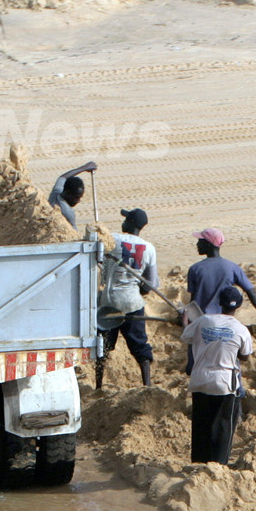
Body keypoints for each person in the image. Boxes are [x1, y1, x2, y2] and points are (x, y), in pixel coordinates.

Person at [180, 285, 253, 464]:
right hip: (223, 383)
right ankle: (219, 465)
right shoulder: (241, 329)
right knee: (222, 428)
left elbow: (186, 336)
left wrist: (184, 321)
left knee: (200, 425)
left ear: (219, 302)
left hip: (200, 379)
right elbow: (244, 355)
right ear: (238, 306)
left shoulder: (204, 320)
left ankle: (198, 464)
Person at [185, 228, 256, 372]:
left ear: (209, 245)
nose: (197, 245)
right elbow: (251, 291)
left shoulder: (195, 269)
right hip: (225, 324)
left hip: (202, 322)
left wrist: (185, 319)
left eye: (200, 242)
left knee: (193, 365)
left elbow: (193, 303)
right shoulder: (232, 267)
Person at [96, 208, 158, 389]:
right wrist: (138, 289)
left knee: (103, 345)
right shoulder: (149, 248)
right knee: (140, 345)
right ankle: (146, 383)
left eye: (126, 219)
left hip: (109, 302)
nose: (122, 221)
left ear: (130, 223)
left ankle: (98, 384)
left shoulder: (113, 239)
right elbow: (150, 284)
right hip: (132, 302)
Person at [49, 161, 97, 229]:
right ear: (68, 193)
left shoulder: (56, 193)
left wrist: (84, 168)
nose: (78, 201)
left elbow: (63, 177)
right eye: (77, 197)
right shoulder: (67, 212)